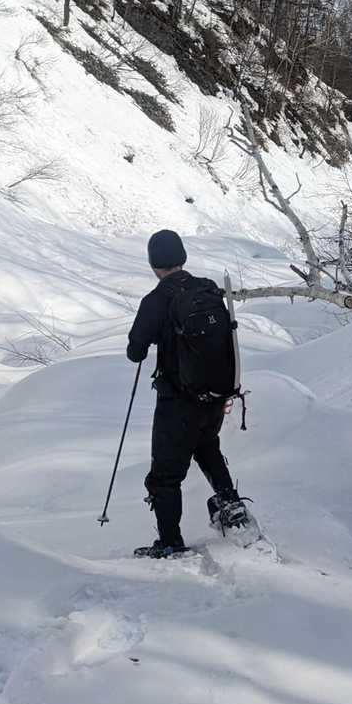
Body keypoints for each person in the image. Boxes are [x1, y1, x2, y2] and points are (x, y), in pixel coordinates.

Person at [127, 229, 250, 558]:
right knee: (207, 447)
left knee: (165, 476)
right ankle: (231, 505)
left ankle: (170, 542)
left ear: (154, 264)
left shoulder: (155, 301)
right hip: (215, 395)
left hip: (177, 402)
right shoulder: (207, 288)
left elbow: (135, 351)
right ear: (182, 257)